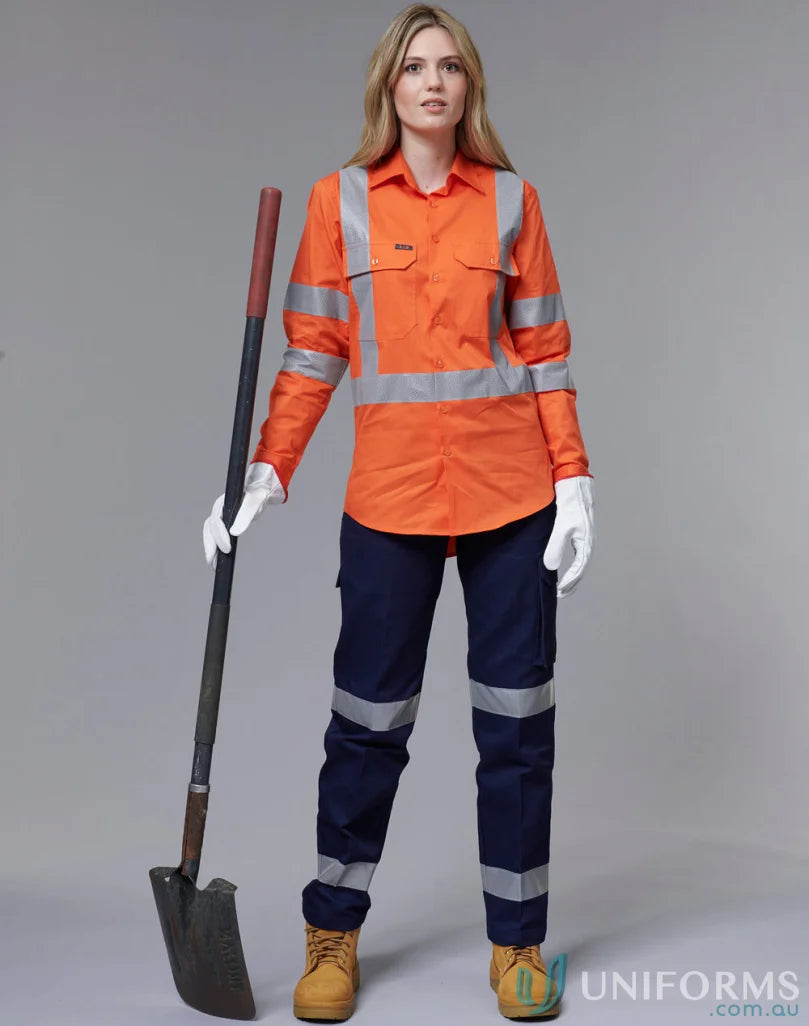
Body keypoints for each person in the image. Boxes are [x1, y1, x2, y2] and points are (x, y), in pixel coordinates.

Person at [203, 3, 594, 1019]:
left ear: (469, 88)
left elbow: (545, 351)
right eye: (414, 67)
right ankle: (330, 937)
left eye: (449, 67)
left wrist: (574, 480)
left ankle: (518, 946)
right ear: (388, 87)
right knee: (365, 728)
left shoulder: (512, 203)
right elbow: (311, 349)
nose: (432, 83)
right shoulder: (339, 203)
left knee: (516, 732)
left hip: (511, 501)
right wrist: (266, 470)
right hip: (388, 502)